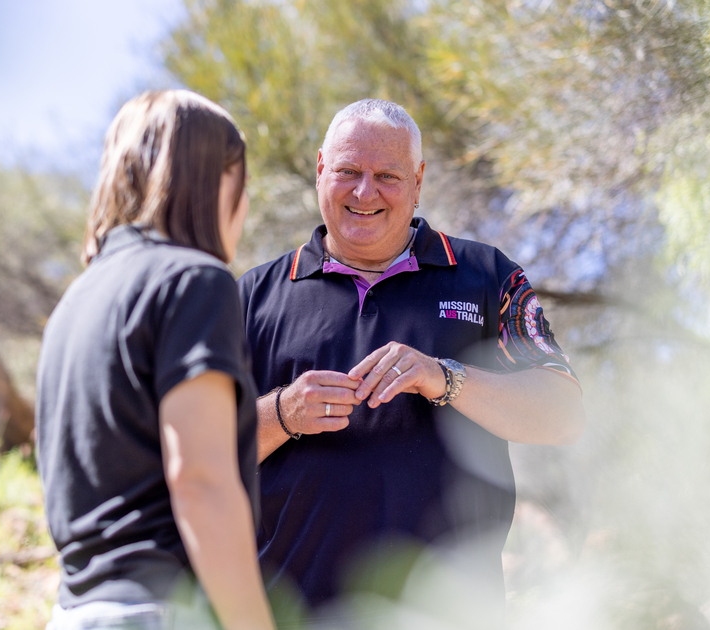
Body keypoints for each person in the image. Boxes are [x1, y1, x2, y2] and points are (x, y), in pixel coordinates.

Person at [238, 99, 586, 624]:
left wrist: (446, 378)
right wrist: (284, 412)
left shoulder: (486, 276)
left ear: (419, 180)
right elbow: (199, 457)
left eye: (387, 176)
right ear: (319, 171)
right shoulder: (254, 296)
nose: (364, 192)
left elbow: (564, 416)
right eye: (348, 172)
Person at [36, 90, 275, 630]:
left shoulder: (74, 303)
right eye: (242, 182)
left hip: (75, 612)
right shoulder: (195, 282)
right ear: (214, 179)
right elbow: (200, 480)